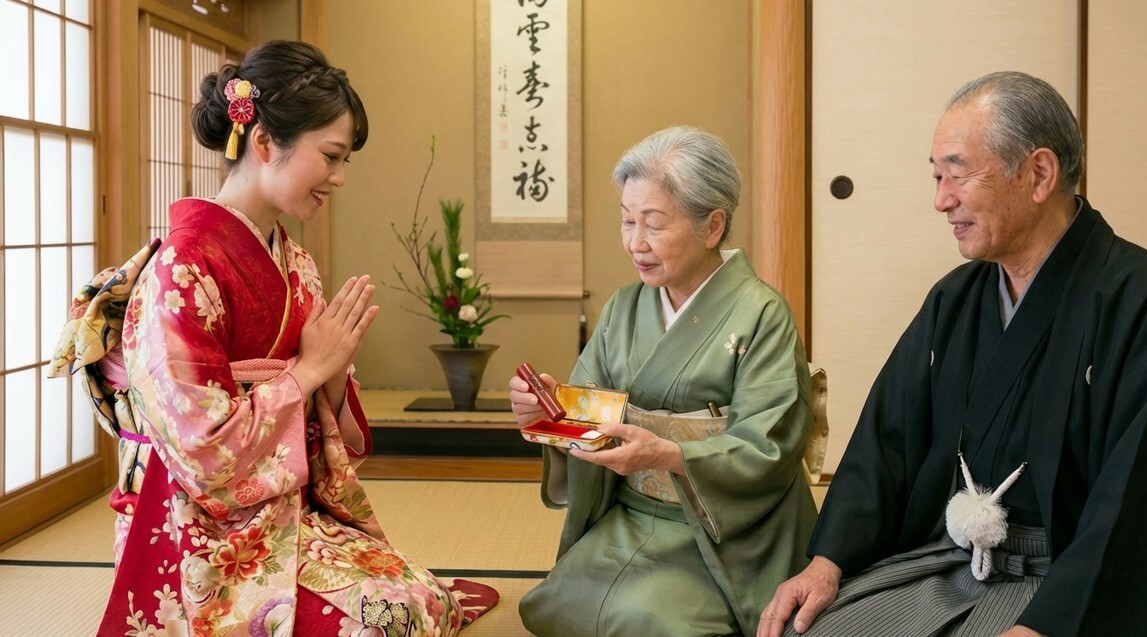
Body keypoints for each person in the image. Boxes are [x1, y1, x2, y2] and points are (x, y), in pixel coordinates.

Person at [50, 41, 474, 636]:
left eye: (345, 160)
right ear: (266, 141)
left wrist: (332, 374)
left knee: (418, 603)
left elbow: (331, 435)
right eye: (331, 156)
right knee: (382, 623)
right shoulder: (181, 267)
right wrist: (307, 372)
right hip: (193, 524)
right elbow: (201, 452)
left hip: (284, 509)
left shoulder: (296, 264)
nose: (339, 178)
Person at [758, 71, 1147, 637]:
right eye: (937, 176)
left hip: (1065, 584)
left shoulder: (1134, 300)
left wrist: (1048, 625)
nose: (941, 200)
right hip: (951, 560)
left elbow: (1131, 498)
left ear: (1039, 174)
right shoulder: (956, 299)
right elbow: (886, 444)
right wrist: (827, 562)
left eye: (958, 174)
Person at [509, 126, 818, 636]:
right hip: (631, 513)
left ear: (712, 226)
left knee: (645, 621)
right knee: (551, 607)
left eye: (654, 224)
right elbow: (589, 423)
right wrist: (550, 417)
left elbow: (768, 446)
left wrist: (669, 455)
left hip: (724, 531)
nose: (636, 243)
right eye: (627, 220)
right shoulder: (623, 308)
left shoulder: (762, 315)